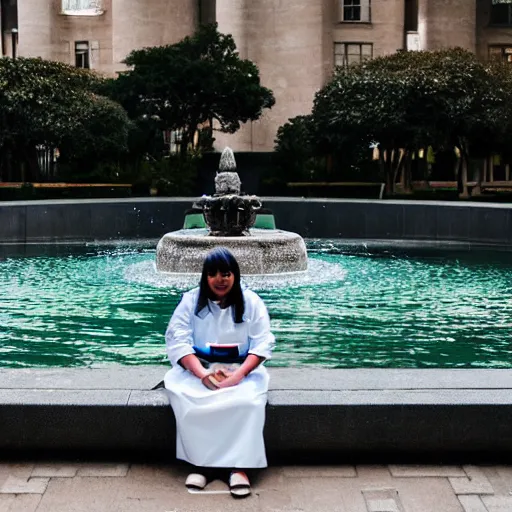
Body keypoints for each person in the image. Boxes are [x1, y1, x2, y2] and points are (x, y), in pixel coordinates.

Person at [164, 247, 275, 498]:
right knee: (190, 398)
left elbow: (263, 342)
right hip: (198, 368)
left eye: (226, 273)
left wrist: (239, 375)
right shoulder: (190, 300)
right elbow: (177, 340)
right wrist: (202, 374)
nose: (220, 279)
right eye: (213, 274)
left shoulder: (252, 302)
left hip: (241, 369)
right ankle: (200, 464)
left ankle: (240, 468)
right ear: (205, 277)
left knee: (247, 401)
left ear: (234, 275)